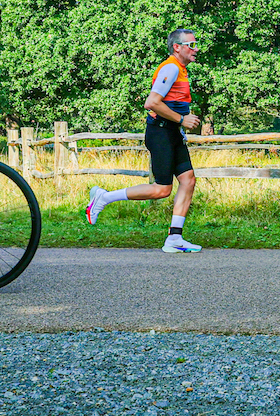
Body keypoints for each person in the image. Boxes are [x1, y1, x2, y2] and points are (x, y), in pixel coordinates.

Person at [85, 29, 203, 253]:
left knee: (188, 180)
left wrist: (179, 126)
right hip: (160, 134)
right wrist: (181, 119)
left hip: (171, 133)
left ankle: (174, 238)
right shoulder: (170, 68)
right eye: (191, 45)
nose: (195, 49)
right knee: (161, 189)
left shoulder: (180, 69)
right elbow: (152, 102)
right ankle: (104, 197)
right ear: (177, 47)